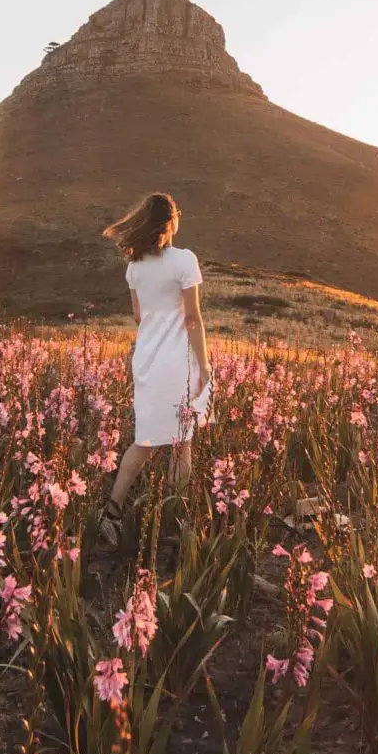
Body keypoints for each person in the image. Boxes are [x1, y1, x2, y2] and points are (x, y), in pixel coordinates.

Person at [98, 192, 211, 546]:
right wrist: (204, 365)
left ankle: (111, 511)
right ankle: (176, 517)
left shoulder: (134, 266)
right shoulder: (184, 260)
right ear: (172, 220)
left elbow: (137, 316)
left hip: (146, 357)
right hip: (177, 358)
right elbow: (193, 319)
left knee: (144, 438)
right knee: (182, 441)